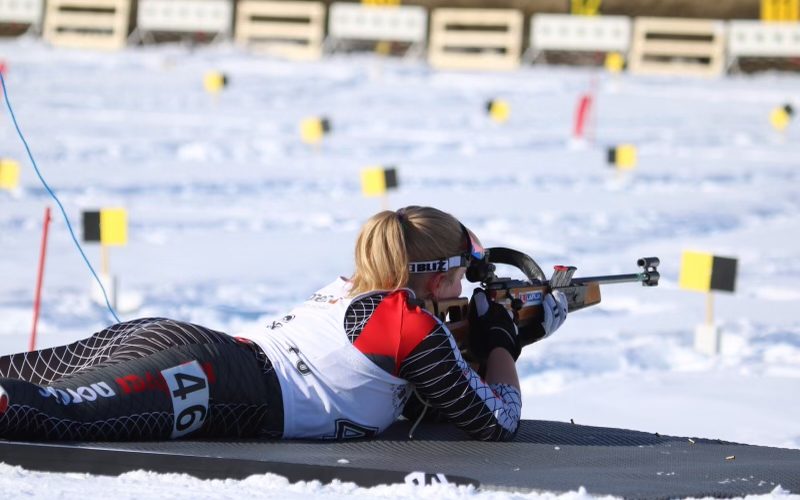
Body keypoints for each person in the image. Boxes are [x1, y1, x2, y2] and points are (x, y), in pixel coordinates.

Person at [0, 206, 568, 442]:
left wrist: (493, 338)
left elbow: (432, 395)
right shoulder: (408, 324)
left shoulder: (355, 289)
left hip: (187, 347)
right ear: (438, 278)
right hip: (215, 385)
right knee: (46, 414)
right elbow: (497, 421)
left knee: (23, 380)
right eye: (462, 276)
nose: (465, 288)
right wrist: (503, 342)